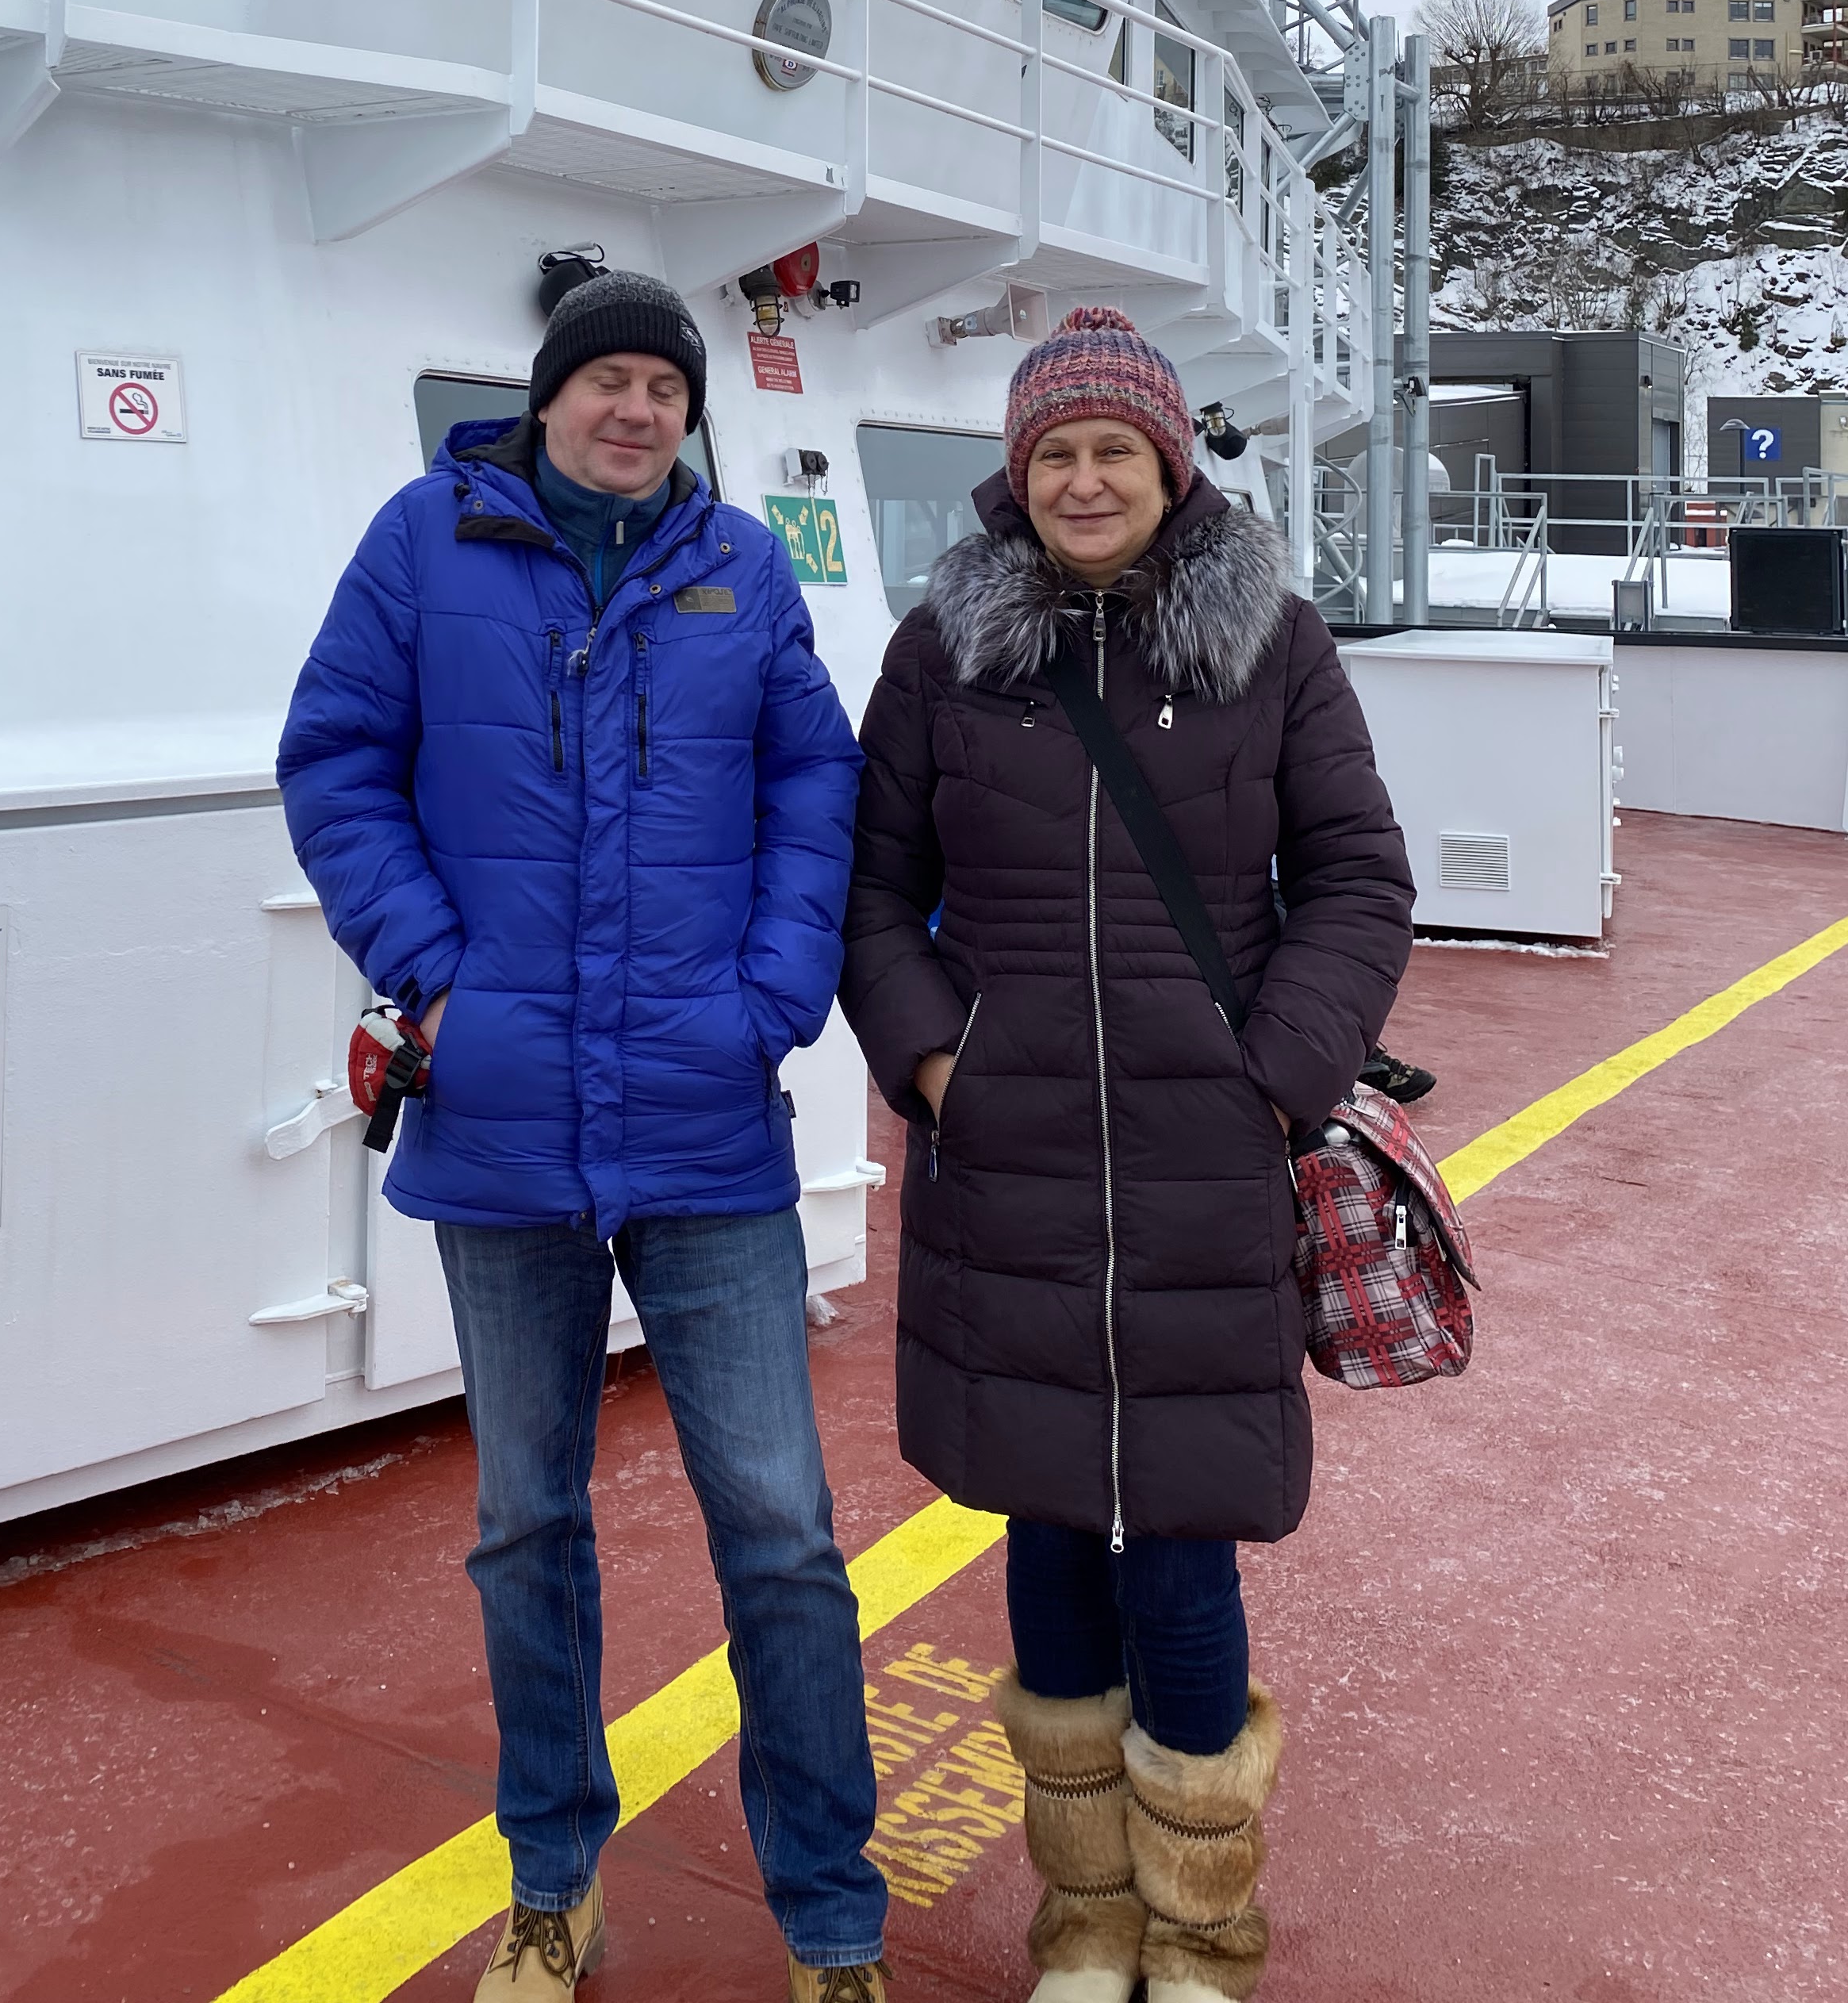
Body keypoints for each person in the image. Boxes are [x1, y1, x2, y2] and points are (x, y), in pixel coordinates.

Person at [278, 267, 891, 2003]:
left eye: (666, 390)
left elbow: (814, 782)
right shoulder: (425, 545)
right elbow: (337, 760)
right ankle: (553, 1886)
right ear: (547, 397)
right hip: (504, 1122)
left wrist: (772, 993)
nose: (636, 411)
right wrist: (438, 978)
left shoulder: (740, 567)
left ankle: (831, 1920)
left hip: (704, 1116)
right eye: (607, 380)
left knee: (780, 1526)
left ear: (690, 418)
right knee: (527, 1523)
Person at [838, 305, 1416, 2003]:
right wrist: (937, 1063)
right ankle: (1087, 1924)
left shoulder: (1272, 646)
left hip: (1202, 1165)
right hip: (1004, 1167)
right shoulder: (941, 655)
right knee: (1040, 1534)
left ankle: (1203, 1932)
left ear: (1171, 466)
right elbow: (872, 891)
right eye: (1055, 454)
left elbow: (1359, 876)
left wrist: (1275, 1079)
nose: (1085, 480)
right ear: (1015, 477)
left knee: (1178, 1547)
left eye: (1116, 451)